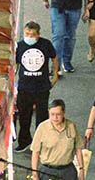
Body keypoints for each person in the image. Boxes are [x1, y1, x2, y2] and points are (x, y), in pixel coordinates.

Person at [15, 21, 59, 153]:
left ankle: (41, 143)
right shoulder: (19, 46)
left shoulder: (46, 44)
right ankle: (24, 141)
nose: (29, 36)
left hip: (42, 87)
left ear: (38, 34)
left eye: (32, 34)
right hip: (24, 88)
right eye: (26, 33)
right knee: (23, 116)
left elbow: (54, 58)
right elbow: (16, 64)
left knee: (42, 117)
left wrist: (55, 75)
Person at [31, 99, 84, 180]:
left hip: (67, 171)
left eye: (58, 114)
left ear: (64, 113)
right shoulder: (42, 128)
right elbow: (35, 152)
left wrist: (81, 168)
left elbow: (78, 148)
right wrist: (34, 173)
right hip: (47, 171)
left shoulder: (71, 126)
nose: (55, 118)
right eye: (52, 114)